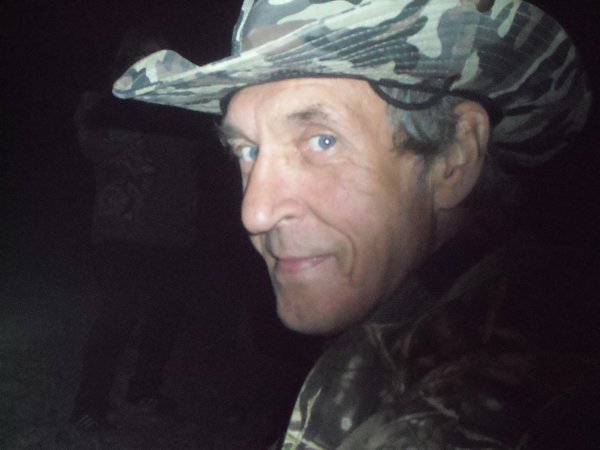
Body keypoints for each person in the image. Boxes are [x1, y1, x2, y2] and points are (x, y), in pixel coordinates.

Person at [112, 1, 599, 448]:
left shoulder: (485, 412)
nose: (255, 212)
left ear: (455, 155)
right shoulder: (415, 335)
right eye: (248, 150)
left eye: (322, 141)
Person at [70, 27, 204, 430]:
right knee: (116, 318)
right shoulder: (105, 104)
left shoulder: (186, 108)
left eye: (162, 56)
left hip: (176, 230)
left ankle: (144, 389)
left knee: (166, 317)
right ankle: (89, 405)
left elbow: (204, 162)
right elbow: (92, 148)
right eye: (144, 56)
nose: (154, 64)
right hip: (122, 230)